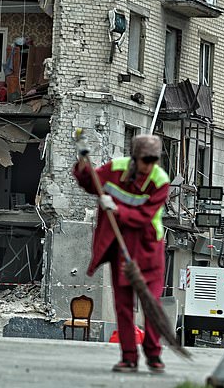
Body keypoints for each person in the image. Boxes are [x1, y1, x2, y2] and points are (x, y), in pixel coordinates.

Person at [72, 134, 170, 373]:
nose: (149, 164)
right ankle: (128, 357)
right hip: (120, 246)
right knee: (124, 306)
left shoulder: (160, 179)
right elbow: (91, 182)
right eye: (145, 159)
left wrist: (117, 210)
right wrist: (83, 166)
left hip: (148, 247)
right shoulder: (116, 169)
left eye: (153, 160)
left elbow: (146, 215)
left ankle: (154, 354)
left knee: (152, 304)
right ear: (135, 157)